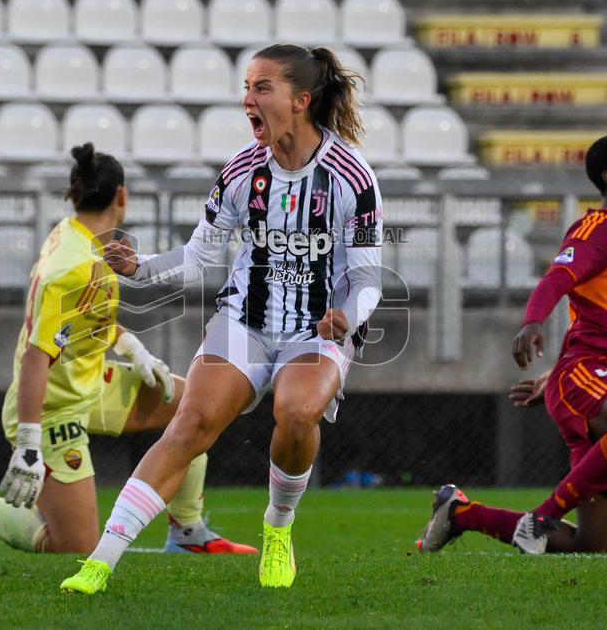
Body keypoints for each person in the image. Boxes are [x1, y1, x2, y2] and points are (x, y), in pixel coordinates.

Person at [61, 43, 382, 594]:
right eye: (246, 88)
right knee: (190, 426)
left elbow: (368, 276)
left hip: (317, 328)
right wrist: (139, 267)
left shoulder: (351, 177)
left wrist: (347, 317)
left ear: (300, 99)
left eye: (261, 88)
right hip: (246, 321)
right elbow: (197, 257)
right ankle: (100, 562)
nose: (247, 101)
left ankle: (277, 530)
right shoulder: (240, 171)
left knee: (298, 412)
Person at [0, 143, 256, 556]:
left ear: (75, 193)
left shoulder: (75, 236)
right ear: (122, 195)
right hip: (52, 407)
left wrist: (132, 346)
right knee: (73, 543)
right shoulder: (75, 265)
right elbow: (36, 357)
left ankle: (187, 531)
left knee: (189, 404)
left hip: (87, 380)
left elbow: (79, 318)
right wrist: (29, 443)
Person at [418, 132, 607, 555]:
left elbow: (603, 315)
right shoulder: (597, 228)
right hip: (592, 373)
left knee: (594, 547)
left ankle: (459, 513)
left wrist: (554, 377)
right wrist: (533, 322)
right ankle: (544, 514)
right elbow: (557, 278)